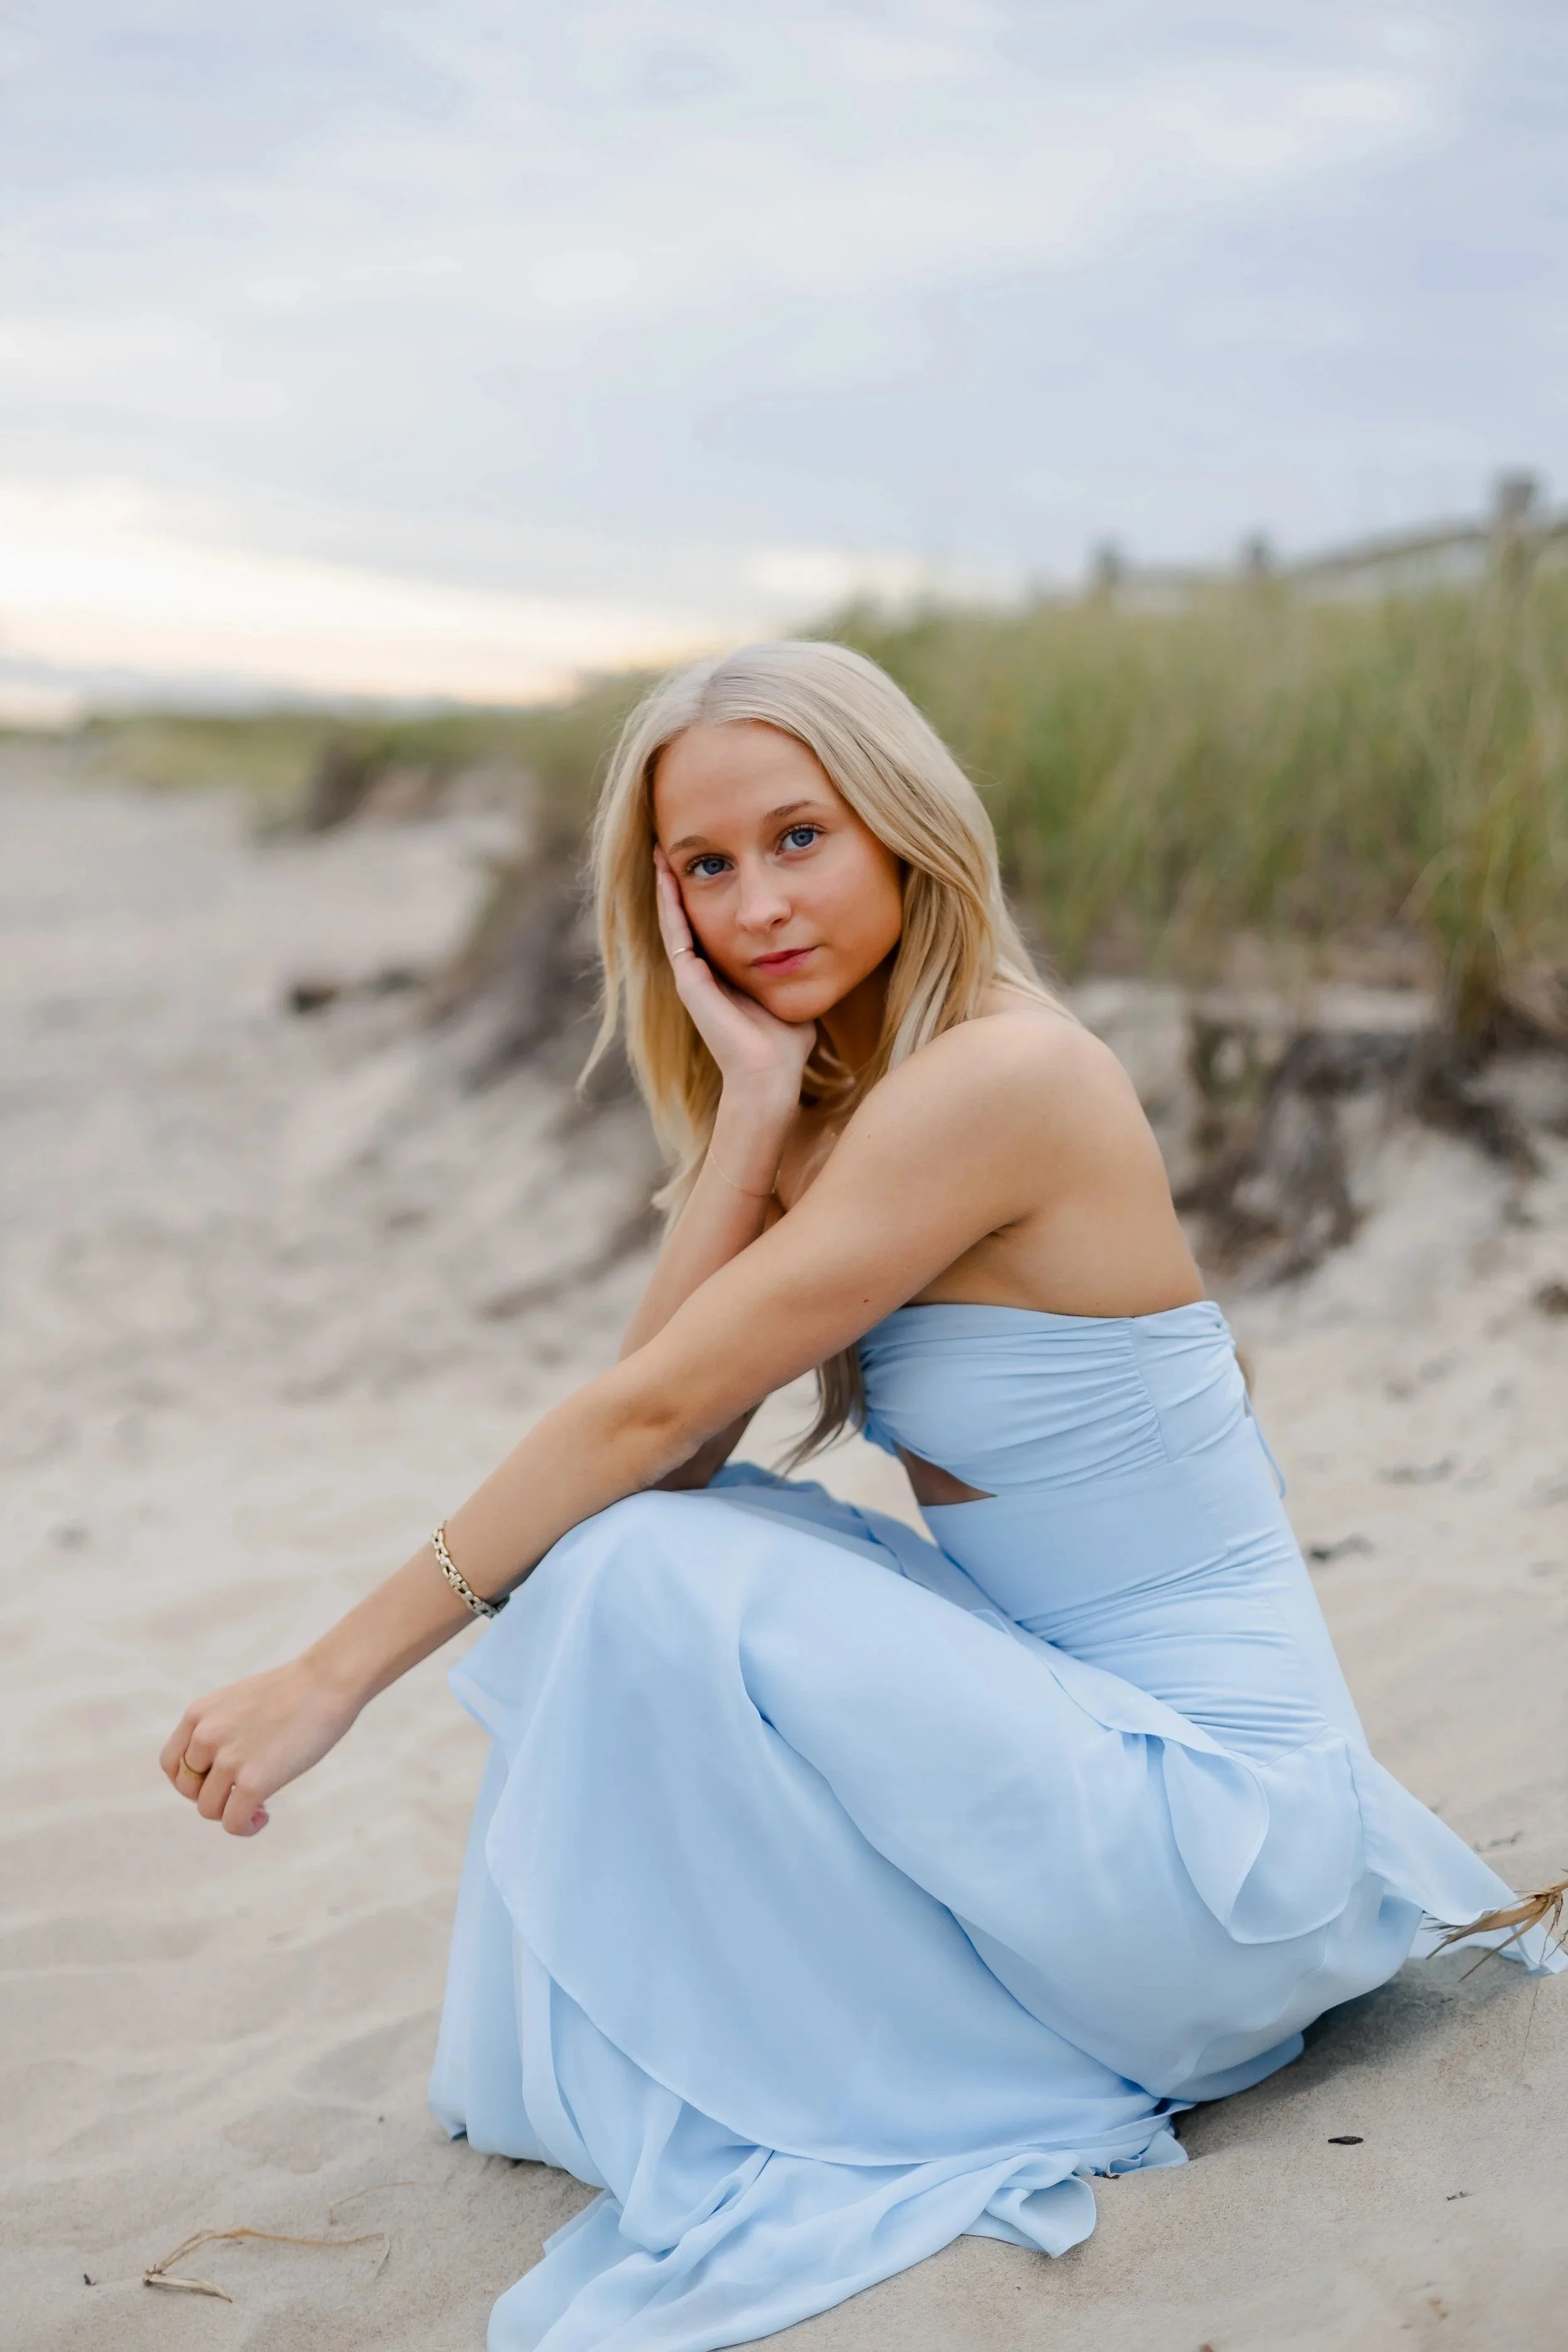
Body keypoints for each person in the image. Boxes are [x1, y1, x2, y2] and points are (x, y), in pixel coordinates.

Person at [162, 642, 1563, 2352]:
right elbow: (667, 1449)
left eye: (800, 835)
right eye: (705, 863)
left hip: (1217, 1848)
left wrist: (325, 1678)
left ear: (901, 827)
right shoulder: (852, 1102)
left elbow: (652, 1404)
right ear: (662, 898)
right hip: (1107, 1790)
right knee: (660, 1542)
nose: (757, 899)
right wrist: (747, 1114)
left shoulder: (1000, 1078)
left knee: (651, 1571)